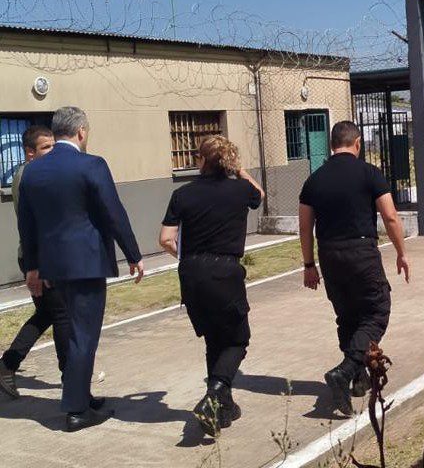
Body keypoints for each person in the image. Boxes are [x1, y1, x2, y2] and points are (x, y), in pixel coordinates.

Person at [17, 107, 144, 432]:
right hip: (87, 263)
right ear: (81, 132)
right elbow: (113, 211)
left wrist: (32, 266)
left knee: (73, 333)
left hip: (52, 266)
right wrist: (133, 253)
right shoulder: (92, 164)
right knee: (83, 335)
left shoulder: (32, 172)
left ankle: (81, 395)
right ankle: (76, 410)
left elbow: (26, 225)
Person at [299, 120, 410, 417]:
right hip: (361, 251)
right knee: (376, 311)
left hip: (329, 253)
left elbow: (305, 227)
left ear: (333, 144)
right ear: (357, 143)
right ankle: (345, 371)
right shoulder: (369, 173)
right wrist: (401, 253)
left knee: (347, 315)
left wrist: (309, 264)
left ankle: (359, 380)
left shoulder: (314, 181)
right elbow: (390, 217)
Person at [159, 135, 264, 437]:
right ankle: (213, 395)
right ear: (229, 161)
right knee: (237, 340)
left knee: (213, 340)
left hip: (191, 273)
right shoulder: (241, 189)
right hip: (224, 271)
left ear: (201, 161)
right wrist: (240, 170)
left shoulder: (183, 194)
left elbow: (166, 239)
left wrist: (188, 258)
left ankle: (222, 407)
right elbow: (260, 193)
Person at [0, 126, 71, 400]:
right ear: (31, 153)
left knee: (48, 314)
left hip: (41, 256)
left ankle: (8, 365)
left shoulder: (38, 172)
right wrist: (37, 265)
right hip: (38, 258)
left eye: (54, 145)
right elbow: (33, 224)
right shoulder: (28, 176)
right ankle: (71, 378)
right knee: (60, 314)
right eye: (46, 148)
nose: (53, 151)